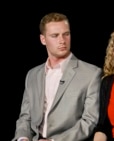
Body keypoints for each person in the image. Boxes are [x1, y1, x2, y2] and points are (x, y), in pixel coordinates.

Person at [12, 12, 102, 141]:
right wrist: (23, 138)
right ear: (43, 40)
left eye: (66, 34)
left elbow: (89, 121)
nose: (62, 41)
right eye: (55, 36)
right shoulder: (32, 75)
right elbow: (25, 117)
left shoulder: (91, 74)